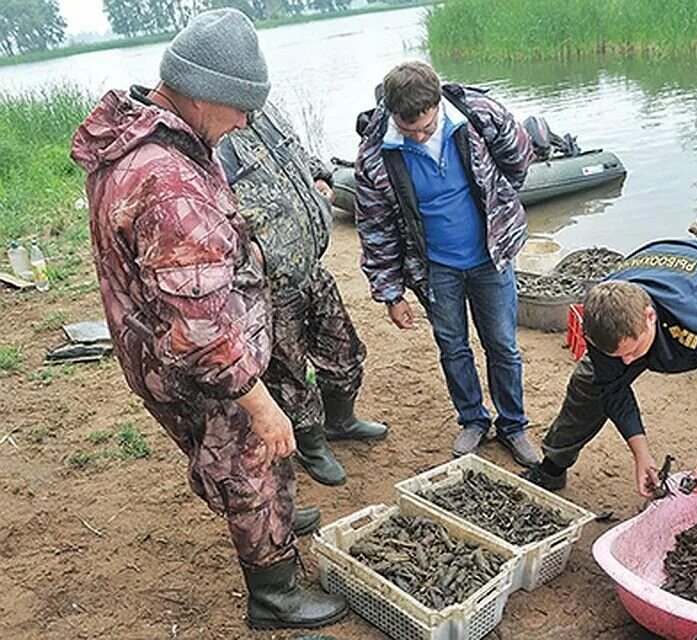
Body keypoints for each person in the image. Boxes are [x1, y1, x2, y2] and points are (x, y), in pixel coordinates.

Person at [70, 8, 347, 629]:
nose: (246, 121)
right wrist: (261, 401)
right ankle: (275, 594)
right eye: (239, 107)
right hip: (198, 366)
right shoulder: (167, 182)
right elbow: (197, 332)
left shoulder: (158, 136)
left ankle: (272, 511)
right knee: (247, 459)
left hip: (181, 349)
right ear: (200, 94)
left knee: (251, 459)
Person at [523, 238, 697, 563]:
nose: (627, 363)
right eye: (618, 355)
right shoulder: (602, 320)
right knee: (588, 385)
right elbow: (612, 387)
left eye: (633, 352)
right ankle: (554, 465)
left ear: (650, 317)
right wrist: (642, 455)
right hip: (651, 284)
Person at [353, 61, 539, 465]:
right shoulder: (373, 155)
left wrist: (501, 210)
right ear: (391, 113)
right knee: (452, 346)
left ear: (438, 103)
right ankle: (473, 419)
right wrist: (390, 293)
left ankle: (513, 424)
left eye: (426, 127)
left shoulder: (481, 115)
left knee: (503, 346)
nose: (419, 137)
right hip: (435, 268)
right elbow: (375, 226)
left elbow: (518, 162)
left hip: (490, 257)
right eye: (409, 130)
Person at [218, 102, 388, 487]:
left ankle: (341, 421)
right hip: (271, 286)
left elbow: (296, 153)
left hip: (309, 264)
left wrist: (320, 175)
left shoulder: (267, 112)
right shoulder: (217, 133)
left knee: (344, 350)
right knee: (290, 374)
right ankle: (312, 446)